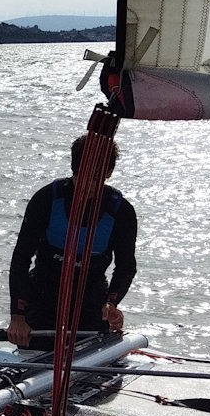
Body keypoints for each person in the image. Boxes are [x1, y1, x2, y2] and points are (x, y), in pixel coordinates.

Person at [7, 134, 137, 347]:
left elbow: (126, 267)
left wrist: (111, 303)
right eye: (80, 175)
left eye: (94, 179)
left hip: (91, 304)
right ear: (73, 169)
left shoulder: (122, 212)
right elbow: (20, 259)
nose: (86, 185)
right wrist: (17, 317)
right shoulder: (46, 199)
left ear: (109, 172)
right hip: (42, 299)